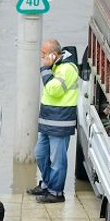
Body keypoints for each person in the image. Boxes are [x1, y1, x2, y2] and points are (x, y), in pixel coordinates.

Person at [27, 39, 80, 204]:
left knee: (57, 160)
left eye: (44, 54)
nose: (42, 58)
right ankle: (47, 184)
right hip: (49, 121)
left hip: (60, 122)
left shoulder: (67, 68)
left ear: (53, 54)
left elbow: (54, 89)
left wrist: (45, 68)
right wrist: (48, 68)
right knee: (40, 154)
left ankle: (56, 192)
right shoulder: (56, 66)